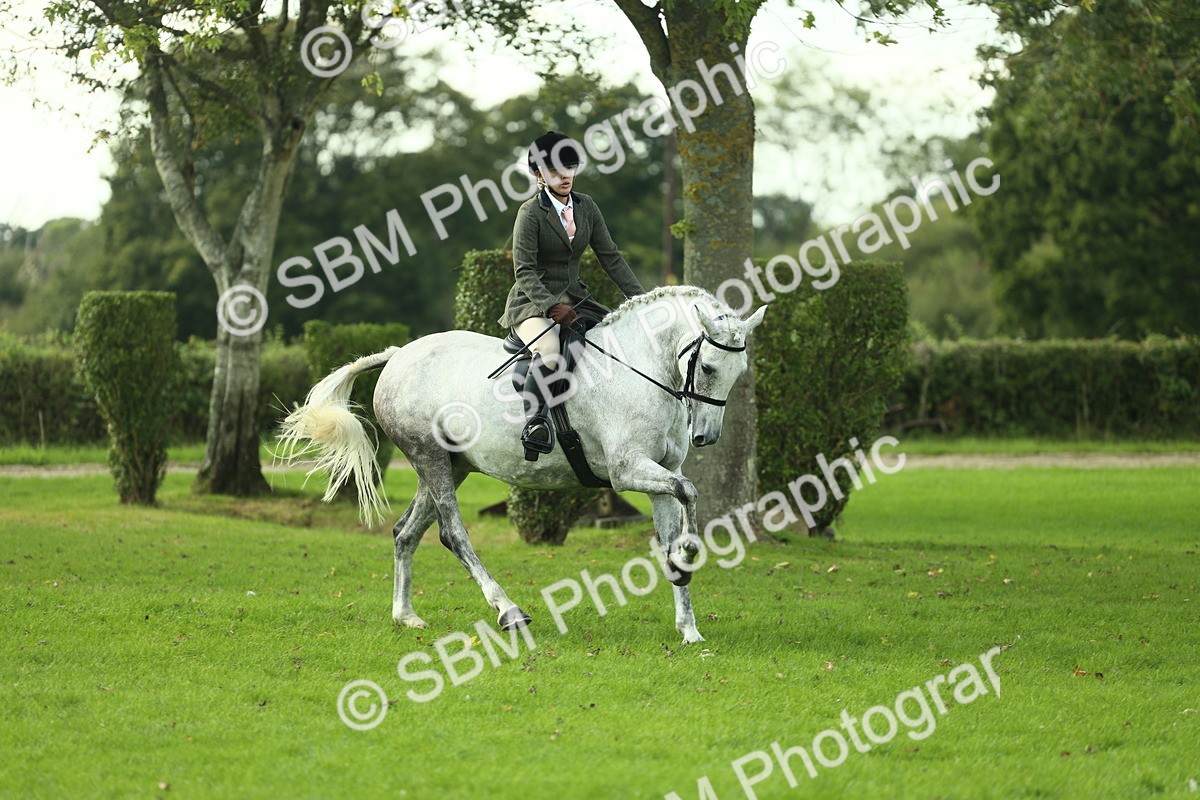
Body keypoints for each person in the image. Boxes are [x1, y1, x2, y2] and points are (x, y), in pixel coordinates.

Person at [498, 130, 646, 458]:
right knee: (550, 350)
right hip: (531, 304)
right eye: (554, 171)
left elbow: (611, 257)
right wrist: (551, 307)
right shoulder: (530, 213)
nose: (565, 176)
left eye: (570, 167)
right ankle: (535, 421)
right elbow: (523, 271)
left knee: (612, 342)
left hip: (578, 300)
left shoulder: (587, 207)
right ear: (539, 174)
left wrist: (642, 300)